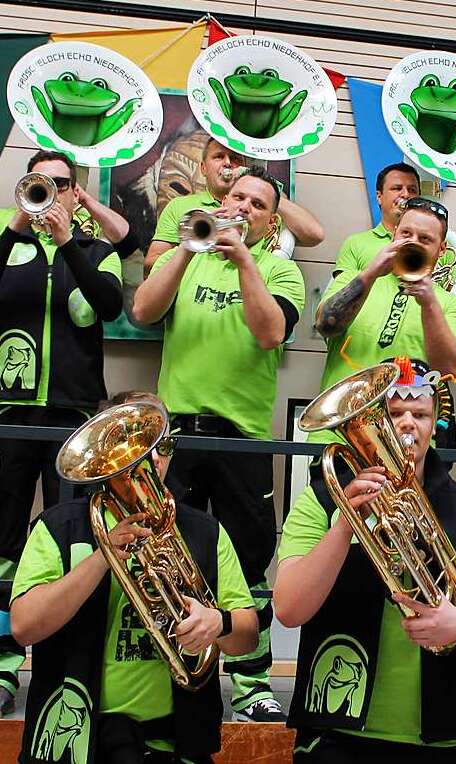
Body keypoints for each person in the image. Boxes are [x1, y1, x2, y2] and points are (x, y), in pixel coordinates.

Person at [274, 367, 456, 763]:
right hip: (336, 732)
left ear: (434, 427)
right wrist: (344, 524)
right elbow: (288, 608)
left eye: (419, 414)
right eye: (393, 413)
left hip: (441, 737)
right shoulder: (320, 502)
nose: (407, 423)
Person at [132, 165, 306, 722]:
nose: (242, 207)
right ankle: (170, 660)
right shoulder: (188, 252)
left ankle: (253, 681)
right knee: (168, 554)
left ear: (270, 221)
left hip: (243, 438)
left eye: (257, 204)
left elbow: (270, 333)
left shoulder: (280, 269)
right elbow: (142, 311)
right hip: (176, 434)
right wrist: (187, 245)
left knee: (250, 563)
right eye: (236, 197)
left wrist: (244, 259)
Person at [10, 391, 257, 763]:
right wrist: (104, 556)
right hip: (77, 739)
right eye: (137, 446)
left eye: (163, 444)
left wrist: (217, 622)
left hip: (175, 742)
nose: (154, 458)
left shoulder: (205, 532)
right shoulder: (59, 527)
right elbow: (24, 626)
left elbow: (247, 637)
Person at [0, 149, 125, 713]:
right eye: (39, 183)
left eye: (61, 184)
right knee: (2, 544)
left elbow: (106, 304)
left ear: (76, 193)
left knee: (71, 538)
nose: (50, 191)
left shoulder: (98, 251)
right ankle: (2, 665)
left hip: (74, 420)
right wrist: (18, 225)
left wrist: (69, 241)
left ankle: (66, 663)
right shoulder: (10, 244)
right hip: (10, 414)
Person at [313, 196, 456, 398]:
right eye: (406, 233)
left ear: (441, 250)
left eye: (425, 239)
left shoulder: (454, 305)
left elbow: (448, 371)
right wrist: (370, 274)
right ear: (393, 235)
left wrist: (430, 305)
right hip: (339, 421)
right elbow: (325, 326)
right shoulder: (353, 278)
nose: (412, 242)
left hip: (404, 423)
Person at [144, 137, 323, 273]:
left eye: (235, 159)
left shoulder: (264, 210)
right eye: (218, 157)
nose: (228, 163)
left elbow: (315, 234)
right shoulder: (180, 206)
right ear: (203, 168)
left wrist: (268, 195)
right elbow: (151, 264)